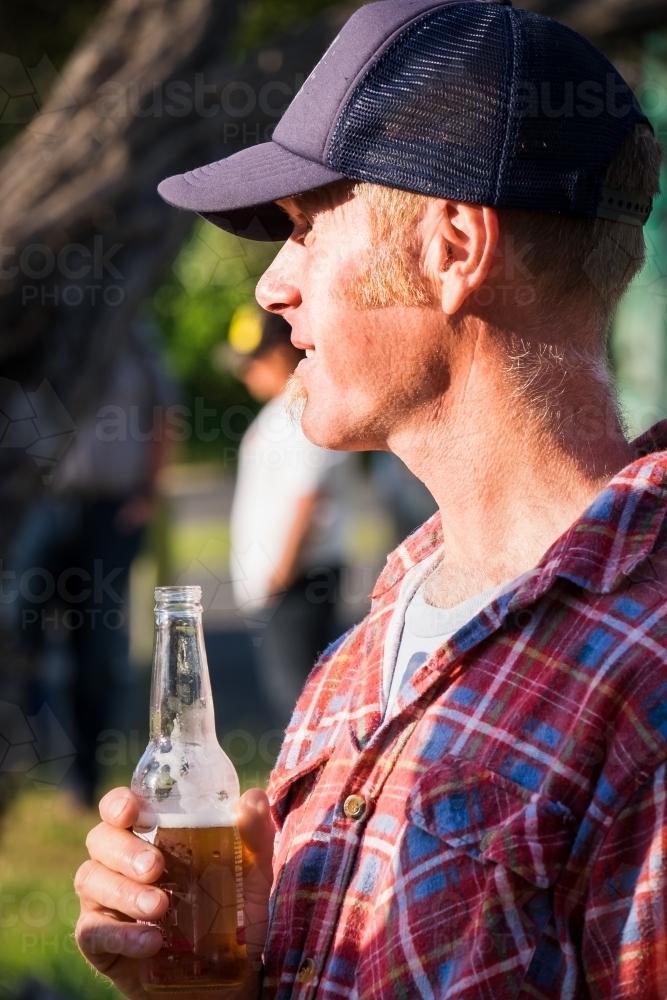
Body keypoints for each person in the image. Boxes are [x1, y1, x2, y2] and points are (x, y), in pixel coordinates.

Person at [74, 1, 667, 997]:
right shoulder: (375, 636)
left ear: (450, 250)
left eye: (306, 230)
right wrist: (226, 980)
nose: (272, 285)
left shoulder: (646, 681)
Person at [13, 321, 177, 806]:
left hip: (110, 512)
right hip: (37, 509)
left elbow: (165, 410)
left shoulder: (132, 334)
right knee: (18, 631)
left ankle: (82, 778)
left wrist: (147, 494)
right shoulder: (32, 330)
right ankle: (27, 748)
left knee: (99, 648)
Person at [227, 308, 350, 726]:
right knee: (293, 697)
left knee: (301, 705)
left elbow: (307, 494)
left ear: (283, 350)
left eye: (255, 359)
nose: (247, 372)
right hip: (284, 583)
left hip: (298, 580)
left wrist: (279, 573)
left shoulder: (301, 410)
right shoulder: (278, 411)